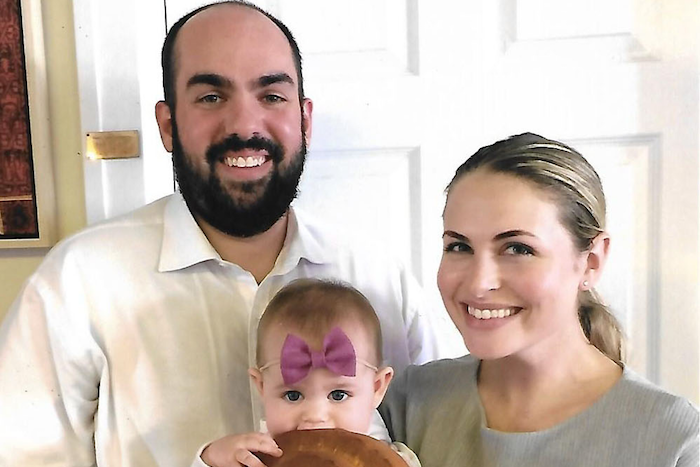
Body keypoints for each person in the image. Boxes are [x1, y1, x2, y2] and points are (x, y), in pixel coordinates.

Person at [0, 3, 455, 466]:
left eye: (272, 96)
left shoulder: (380, 277)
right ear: (168, 125)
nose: (244, 125)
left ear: (305, 120)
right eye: (211, 97)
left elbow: (438, 435)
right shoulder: (77, 282)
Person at [380, 133, 700, 467]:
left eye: (518, 248)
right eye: (459, 246)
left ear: (591, 261)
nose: (478, 283)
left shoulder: (673, 439)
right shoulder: (404, 403)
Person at [201, 278, 420, 467]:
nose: (315, 417)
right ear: (262, 387)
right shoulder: (254, 457)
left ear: (377, 388)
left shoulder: (395, 460)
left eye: (338, 395)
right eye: (293, 396)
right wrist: (210, 457)